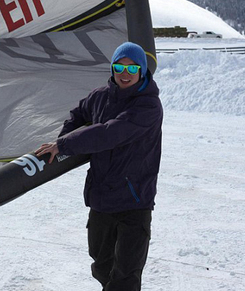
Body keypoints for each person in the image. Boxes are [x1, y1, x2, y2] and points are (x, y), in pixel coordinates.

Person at [35, 41, 163, 291]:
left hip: (134, 202)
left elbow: (109, 133)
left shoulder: (148, 106)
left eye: (131, 68)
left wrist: (65, 144)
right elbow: (78, 115)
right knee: (101, 265)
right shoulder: (100, 97)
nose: (124, 74)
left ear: (142, 70)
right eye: (119, 67)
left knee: (126, 275)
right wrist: (63, 138)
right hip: (102, 199)